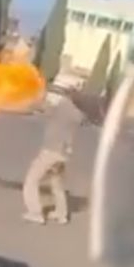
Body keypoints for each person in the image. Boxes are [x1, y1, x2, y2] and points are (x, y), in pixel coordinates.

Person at [22, 88, 102, 225]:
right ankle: (61, 214)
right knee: (56, 183)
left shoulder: (64, 106)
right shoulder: (78, 114)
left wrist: (38, 101)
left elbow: (46, 109)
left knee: (31, 180)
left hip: (51, 150)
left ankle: (35, 213)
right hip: (63, 152)